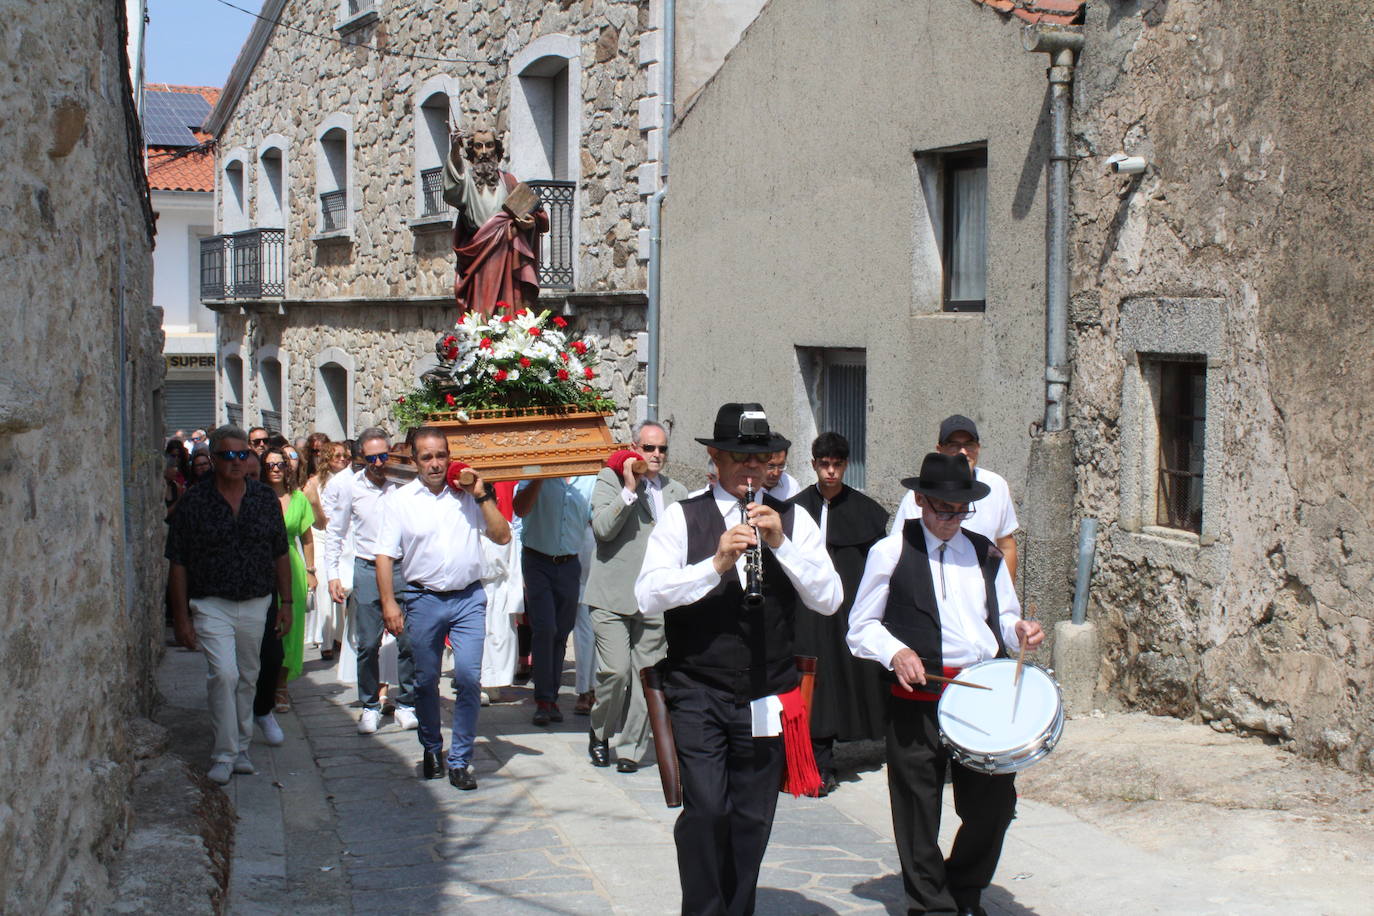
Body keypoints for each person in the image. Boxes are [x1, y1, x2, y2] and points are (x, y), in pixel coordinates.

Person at [635, 403, 842, 916]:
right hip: (698, 688)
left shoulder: (794, 519)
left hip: (766, 692)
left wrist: (782, 545)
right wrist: (715, 563)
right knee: (707, 810)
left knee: (752, 818)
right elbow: (647, 596)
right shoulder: (684, 516)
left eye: (760, 459)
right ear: (715, 457)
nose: (752, 469)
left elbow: (829, 599)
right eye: (739, 458)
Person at [848, 452, 1044, 916]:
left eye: (961, 511)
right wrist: (895, 652)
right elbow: (861, 626)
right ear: (920, 500)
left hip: (980, 697)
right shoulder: (891, 551)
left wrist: (1020, 631)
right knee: (917, 809)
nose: (952, 520)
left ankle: (965, 888)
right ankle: (931, 905)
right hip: (917, 698)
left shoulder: (984, 552)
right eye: (943, 509)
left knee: (994, 805)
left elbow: (1005, 615)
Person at [374, 430, 511, 789]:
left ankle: (460, 759)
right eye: (427, 457)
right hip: (424, 599)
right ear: (415, 461)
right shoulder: (400, 500)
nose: (435, 464)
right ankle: (432, 747)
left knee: (468, 678)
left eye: (441, 456)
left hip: (468, 598)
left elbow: (502, 535)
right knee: (426, 680)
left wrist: (481, 495)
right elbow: (384, 555)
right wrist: (389, 602)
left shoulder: (466, 496)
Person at [166, 426, 292, 785]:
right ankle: (224, 753)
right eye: (227, 455)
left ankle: (241, 748)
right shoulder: (195, 501)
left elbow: (280, 552)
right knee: (224, 674)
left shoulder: (263, 499)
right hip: (211, 602)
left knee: (248, 676)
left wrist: (286, 602)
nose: (236, 462)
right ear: (214, 458)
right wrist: (180, 617)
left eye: (242, 454)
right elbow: (178, 561)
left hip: (256, 600)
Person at [789, 432, 890, 795]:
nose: (830, 472)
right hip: (806, 611)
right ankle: (815, 760)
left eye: (837, 464)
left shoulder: (866, 512)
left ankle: (842, 747)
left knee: (849, 678)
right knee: (811, 681)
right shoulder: (795, 509)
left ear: (846, 465)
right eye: (824, 464)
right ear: (813, 464)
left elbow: (879, 567)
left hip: (848, 610)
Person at [584, 421, 688, 773]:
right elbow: (602, 530)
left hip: (655, 599)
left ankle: (630, 749)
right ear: (634, 447)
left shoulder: (677, 492)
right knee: (615, 672)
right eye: (649, 448)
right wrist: (629, 490)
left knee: (648, 678)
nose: (656, 455)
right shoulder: (609, 480)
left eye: (662, 449)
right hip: (611, 595)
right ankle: (600, 731)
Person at [323, 428, 419, 734]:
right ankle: (369, 705)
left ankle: (406, 702)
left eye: (383, 456)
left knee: (408, 640)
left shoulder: (403, 483)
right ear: (361, 458)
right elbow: (336, 531)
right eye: (372, 458)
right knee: (366, 643)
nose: (379, 463)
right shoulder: (351, 487)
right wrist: (333, 574)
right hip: (366, 567)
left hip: (402, 566)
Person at [513, 471, 596, 725]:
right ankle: (543, 699)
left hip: (570, 563)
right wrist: (540, 477)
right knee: (544, 628)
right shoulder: (534, 472)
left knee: (561, 631)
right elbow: (520, 508)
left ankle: (552, 696)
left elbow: (596, 519)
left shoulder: (590, 478)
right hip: (537, 560)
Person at [890, 415, 1020, 579]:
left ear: (978, 448)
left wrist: (1004, 592)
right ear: (939, 449)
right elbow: (900, 548)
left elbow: (1006, 544)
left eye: (969, 444)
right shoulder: (922, 495)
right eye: (954, 445)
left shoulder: (996, 485)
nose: (963, 452)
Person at [443, 122, 550, 314]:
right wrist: (454, 151)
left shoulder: (509, 181)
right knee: (481, 310)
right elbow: (453, 188)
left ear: (497, 150)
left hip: (507, 255)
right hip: (479, 257)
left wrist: (528, 225)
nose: (484, 152)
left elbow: (533, 215)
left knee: (508, 309)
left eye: (489, 145)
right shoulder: (467, 182)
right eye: (478, 146)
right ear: (472, 151)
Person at [257, 446, 319, 713]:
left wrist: (310, 570)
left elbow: (307, 538)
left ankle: (281, 686)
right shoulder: (256, 497)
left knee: (290, 629)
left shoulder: (298, 498)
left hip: (291, 564)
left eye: (279, 464)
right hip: (261, 564)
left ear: (287, 468)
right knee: (264, 625)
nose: (275, 469)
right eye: (269, 465)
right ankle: (263, 682)